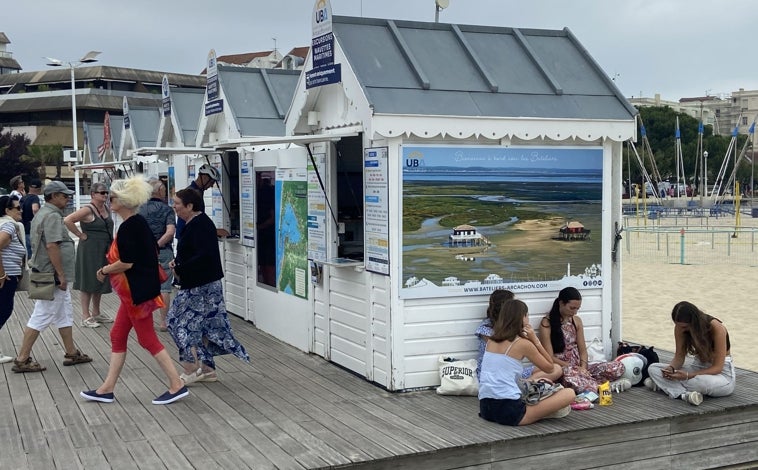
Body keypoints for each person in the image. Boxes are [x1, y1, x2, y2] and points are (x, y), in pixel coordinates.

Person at [80, 177, 188, 405]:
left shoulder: (131, 226)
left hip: (137, 292)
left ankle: (176, 384)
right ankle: (106, 388)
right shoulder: (137, 223)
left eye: (113, 197)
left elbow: (127, 262)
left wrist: (104, 270)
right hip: (137, 291)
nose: (110, 200)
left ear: (125, 201)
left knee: (147, 339)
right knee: (117, 335)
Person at [168, 188, 249, 384]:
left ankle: (191, 369)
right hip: (199, 284)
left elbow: (203, 256)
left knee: (178, 323)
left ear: (189, 205)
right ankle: (207, 370)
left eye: (177, 203)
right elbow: (193, 252)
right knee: (204, 326)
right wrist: (177, 263)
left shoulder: (200, 224)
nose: (174, 207)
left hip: (201, 286)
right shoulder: (193, 223)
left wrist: (180, 268)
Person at [13, 181, 92, 373]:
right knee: (42, 314)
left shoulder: (44, 213)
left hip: (47, 272)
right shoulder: (52, 216)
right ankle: (22, 358)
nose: (68, 198)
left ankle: (71, 351)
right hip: (52, 275)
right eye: (65, 195)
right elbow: (52, 246)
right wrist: (61, 275)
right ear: (54, 196)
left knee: (64, 311)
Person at [479, 299, 575, 426]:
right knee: (569, 394)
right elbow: (550, 368)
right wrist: (535, 340)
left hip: (486, 408)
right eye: (527, 315)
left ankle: (539, 410)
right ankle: (541, 412)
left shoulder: (491, 340)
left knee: (532, 383)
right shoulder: (522, 343)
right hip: (510, 411)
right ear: (523, 317)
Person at [539, 287, 628, 393]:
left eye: (577, 309)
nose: (575, 312)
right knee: (573, 378)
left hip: (580, 366)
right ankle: (604, 387)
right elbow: (549, 357)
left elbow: (582, 350)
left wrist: (583, 367)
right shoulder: (547, 323)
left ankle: (594, 383)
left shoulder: (576, 321)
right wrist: (574, 368)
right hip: (564, 369)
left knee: (618, 367)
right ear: (561, 303)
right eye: (572, 308)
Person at [645, 301, 735, 406]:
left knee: (699, 382)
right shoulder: (679, 327)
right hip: (697, 367)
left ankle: (664, 386)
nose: (681, 329)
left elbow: (717, 368)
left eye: (685, 327)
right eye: (678, 326)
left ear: (694, 322)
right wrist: (671, 369)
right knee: (653, 368)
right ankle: (684, 395)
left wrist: (688, 375)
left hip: (721, 375)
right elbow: (679, 357)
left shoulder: (716, 328)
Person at [475, 289, 562, 383]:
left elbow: (550, 367)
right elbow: (548, 367)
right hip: (494, 376)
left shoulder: (511, 331)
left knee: (557, 369)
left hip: (511, 373)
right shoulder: (487, 330)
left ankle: (525, 383)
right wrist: (533, 340)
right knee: (566, 391)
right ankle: (524, 385)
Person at [64, 182, 114, 327]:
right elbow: (68, 220)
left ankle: (96, 312)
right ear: (93, 194)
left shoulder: (106, 208)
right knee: (87, 281)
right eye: (102, 192)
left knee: (100, 278)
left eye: (106, 192)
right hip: (90, 248)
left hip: (103, 247)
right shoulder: (87, 209)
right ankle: (85, 316)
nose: (105, 195)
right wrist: (80, 235)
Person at [139, 176, 176, 331]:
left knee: (144, 286)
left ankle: (143, 321)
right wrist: (157, 245)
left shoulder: (139, 209)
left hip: (143, 253)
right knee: (165, 288)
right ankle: (163, 322)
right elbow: (170, 232)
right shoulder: (167, 209)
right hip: (164, 252)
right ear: (160, 191)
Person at [0, 195, 26, 363]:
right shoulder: (9, 225)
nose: (21, 210)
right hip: (6, 276)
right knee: (4, 310)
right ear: (7, 211)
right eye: (17, 208)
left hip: (7, 274)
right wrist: (2, 273)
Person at [174, 163, 221, 240]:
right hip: (189, 237)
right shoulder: (193, 193)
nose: (211, 185)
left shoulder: (195, 191)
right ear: (205, 177)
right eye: (211, 182)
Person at [21, 179, 42, 258]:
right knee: (34, 252)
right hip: (31, 227)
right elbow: (35, 209)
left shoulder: (23, 198)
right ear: (39, 189)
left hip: (23, 227)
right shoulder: (34, 198)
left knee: (26, 251)